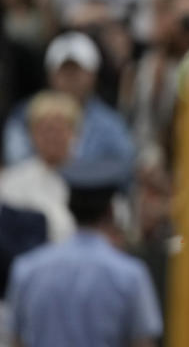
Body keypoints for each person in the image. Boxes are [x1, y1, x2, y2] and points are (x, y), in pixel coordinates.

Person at [5, 159, 163, 347]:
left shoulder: (27, 270)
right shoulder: (131, 275)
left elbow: (15, 341)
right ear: (110, 211)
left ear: (69, 206)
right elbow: (143, 342)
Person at [3, 31, 134, 169]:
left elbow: (125, 165)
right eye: (64, 71)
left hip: (92, 189)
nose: (70, 79)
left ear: (93, 75)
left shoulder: (110, 123)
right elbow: (15, 160)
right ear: (50, 75)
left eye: (77, 71)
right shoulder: (24, 115)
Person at [0, 91, 81, 243]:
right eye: (46, 129)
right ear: (32, 134)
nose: (52, 137)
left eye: (60, 129)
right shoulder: (12, 181)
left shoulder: (92, 179)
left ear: (75, 133)